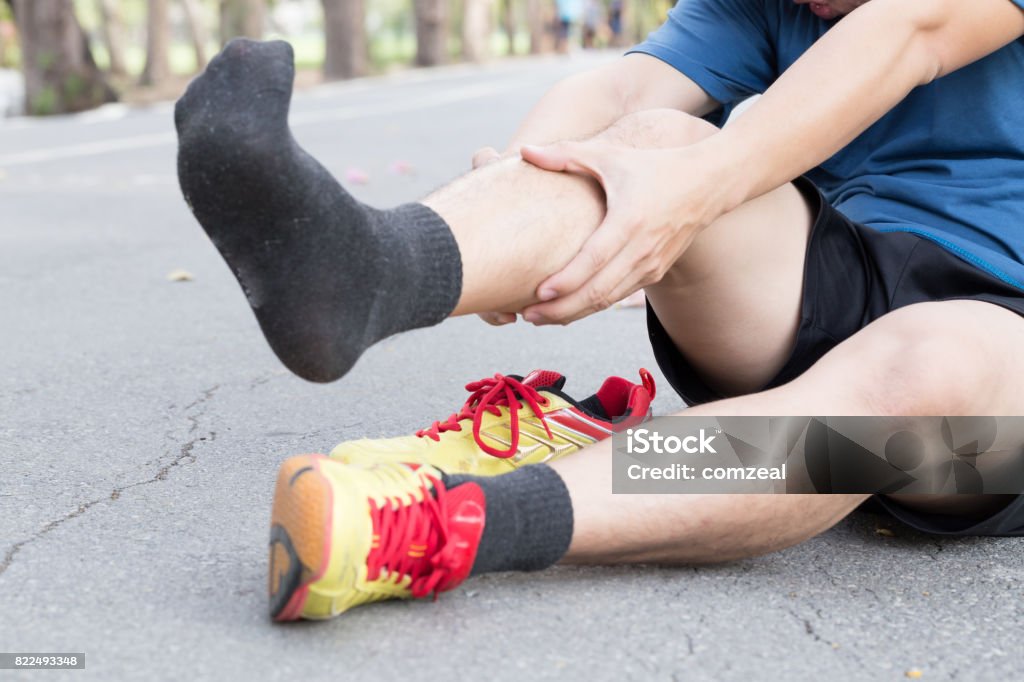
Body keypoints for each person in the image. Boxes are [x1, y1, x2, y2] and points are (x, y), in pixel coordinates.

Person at [172, 0, 1024, 622]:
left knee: (921, 368)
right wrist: (515, 179)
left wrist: (701, 188)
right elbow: (622, 94)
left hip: (998, 348)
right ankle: (368, 275)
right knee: (652, 147)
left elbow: (913, 30)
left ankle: (457, 522)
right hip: (821, 274)